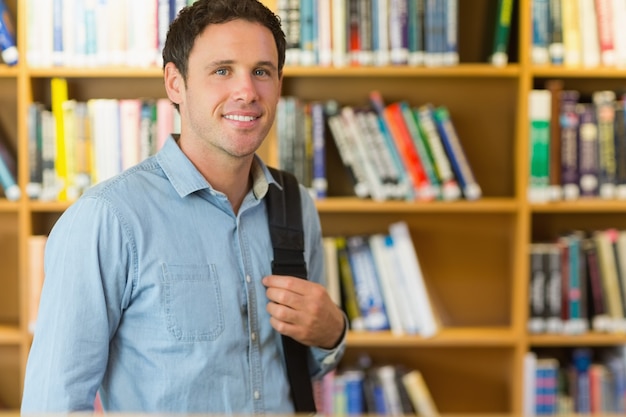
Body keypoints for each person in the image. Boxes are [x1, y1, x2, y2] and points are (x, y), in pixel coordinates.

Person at [21, 0, 346, 413]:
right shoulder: (107, 219)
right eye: (222, 70)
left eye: (262, 71)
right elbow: (54, 403)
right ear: (175, 83)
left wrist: (333, 332)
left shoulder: (295, 206)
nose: (247, 91)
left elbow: (304, 368)